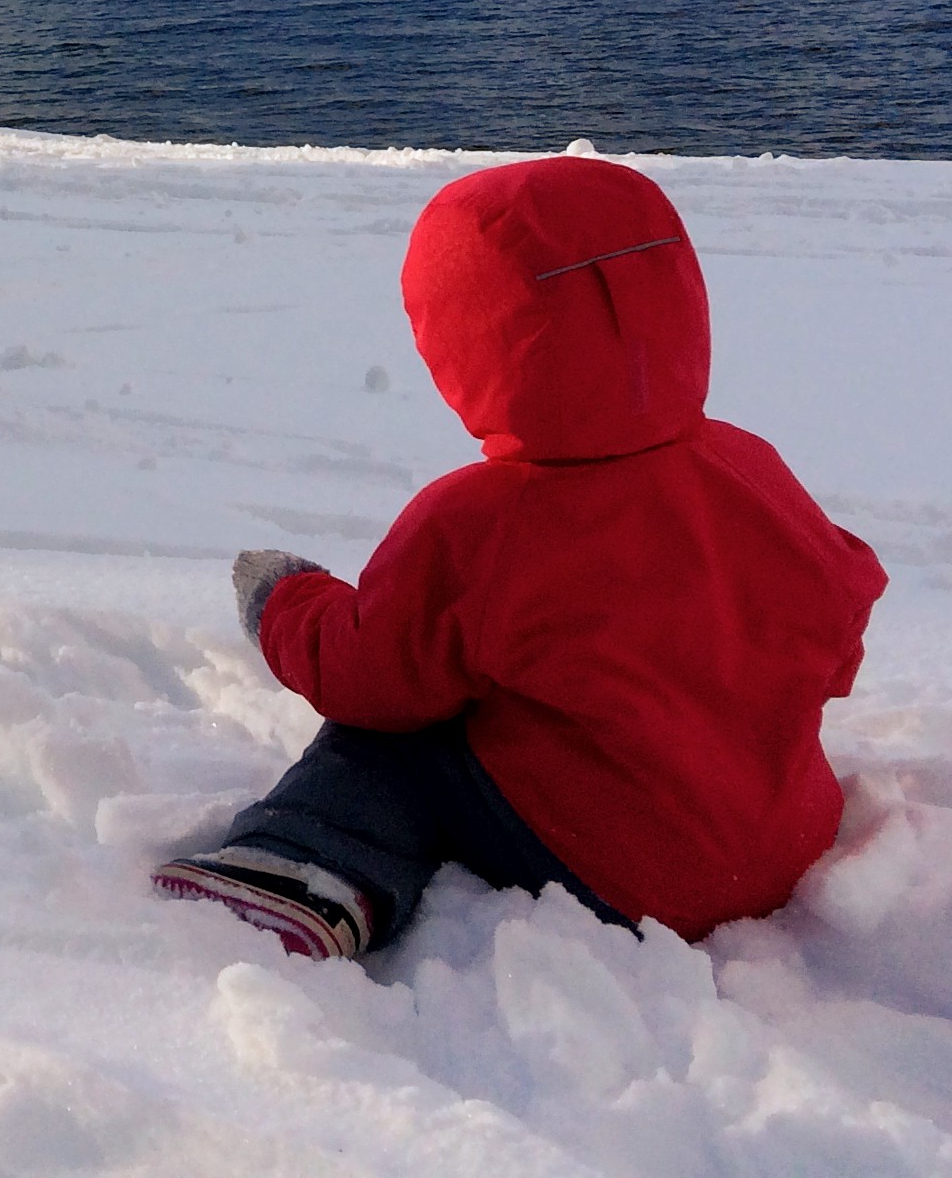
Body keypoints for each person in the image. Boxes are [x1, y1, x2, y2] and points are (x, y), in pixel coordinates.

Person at [155, 154, 886, 957]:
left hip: (620, 870)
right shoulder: (750, 468)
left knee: (398, 735)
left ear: (467, 340)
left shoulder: (481, 522)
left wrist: (284, 601)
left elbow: (367, 673)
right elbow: (840, 613)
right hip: (783, 842)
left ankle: (301, 869)